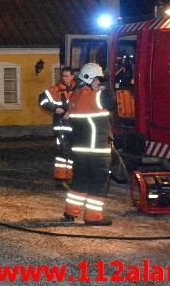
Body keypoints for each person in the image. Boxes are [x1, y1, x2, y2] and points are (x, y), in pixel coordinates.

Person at [61, 63, 115, 225]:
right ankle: (92, 217)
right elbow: (111, 101)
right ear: (90, 79)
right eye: (98, 79)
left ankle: (71, 212)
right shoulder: (95, 97)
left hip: (79, 150)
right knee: (99, 182)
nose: (99, 83)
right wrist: (107, 87)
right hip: (96, 150)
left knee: (80, 180)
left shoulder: (74, 97)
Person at [38, 66, 77, 189]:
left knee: (71, 154)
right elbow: (42, 101)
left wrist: (71, 113)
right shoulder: (55, 90)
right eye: (63, 76)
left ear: (72, 76)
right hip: (61, 127)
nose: (64, 78)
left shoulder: (78, 89)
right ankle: (60, 181)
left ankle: (69, 178)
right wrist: (55, 108)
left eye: (66, 76)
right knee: (61, 154)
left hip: (74, 127)